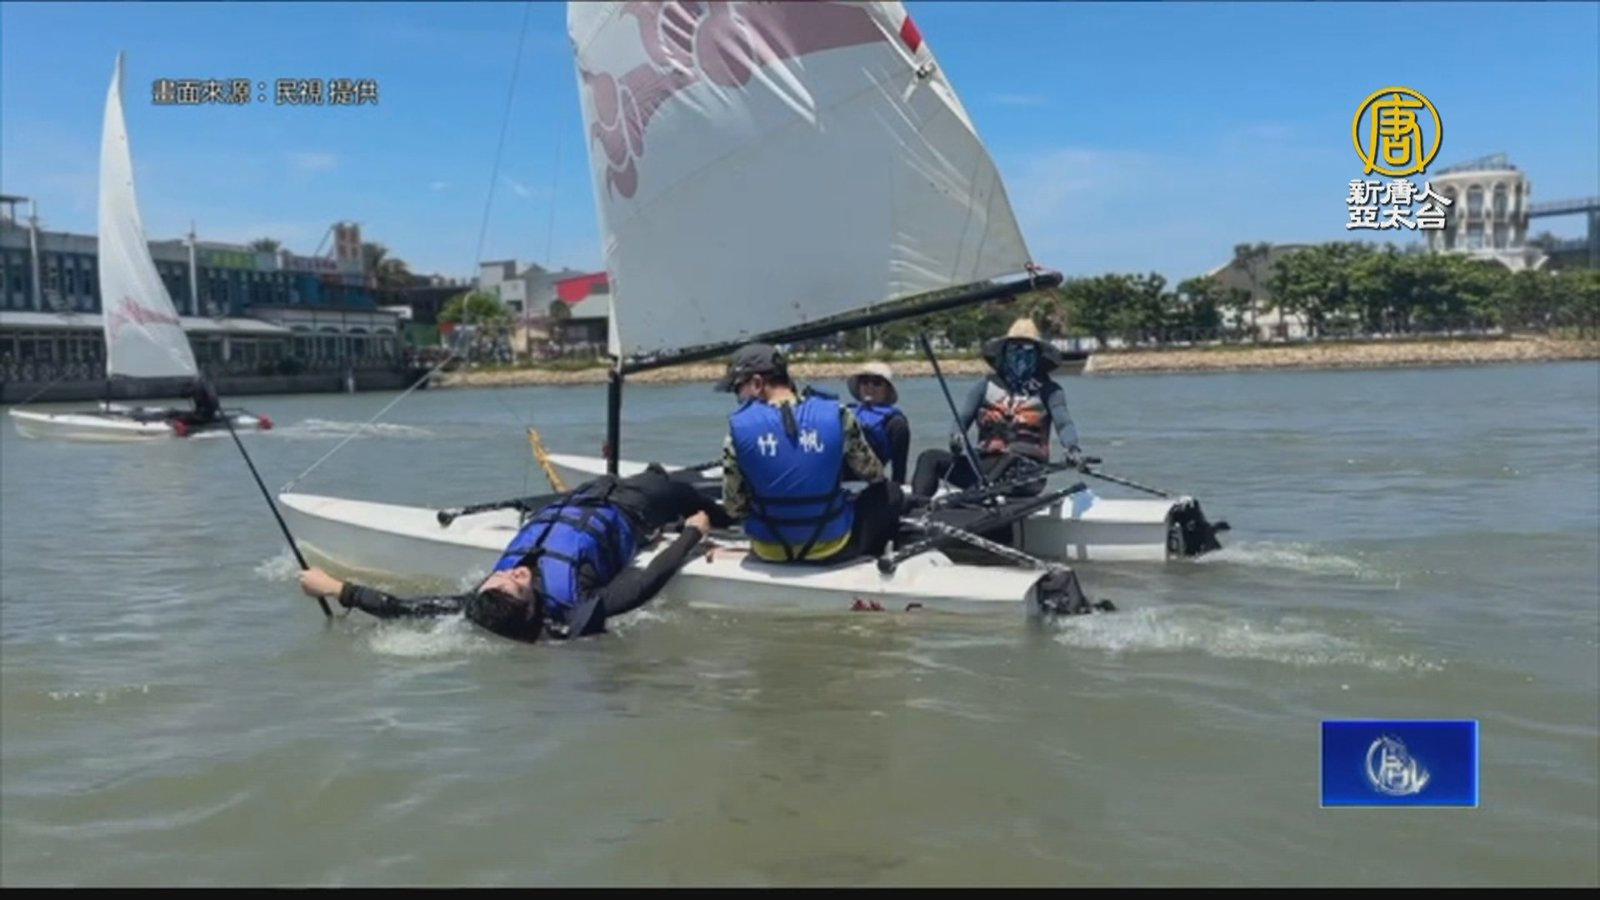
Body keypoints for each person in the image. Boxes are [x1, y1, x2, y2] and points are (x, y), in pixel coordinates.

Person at [296, 465, 732, 643]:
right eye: (518, 584)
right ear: (531, 611)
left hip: (580, 498)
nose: (517, 571)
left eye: (502, 577)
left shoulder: (480, 604)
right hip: (635, 507)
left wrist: (337, 588)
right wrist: (693, 534)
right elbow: (647, 581)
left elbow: (401, 609)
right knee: (694, 498)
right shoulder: (574, 608)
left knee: (648, 473)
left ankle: (657, 471)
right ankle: (729, 505)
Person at [716, 342, 908, 565]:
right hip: (832, 547)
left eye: (737, 389)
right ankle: (873, 560)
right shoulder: (838, 414)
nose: (737, 397)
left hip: (769, 549)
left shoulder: (736, 429)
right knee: (890, 492)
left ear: (758, 383)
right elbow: (873, 474)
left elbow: (734, 507)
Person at [911, 317, 1086, 499]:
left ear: (1038, 355)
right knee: (929, 458)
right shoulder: (984, 387)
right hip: (984, 467)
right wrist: (956, 438)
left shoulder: (1050, 391)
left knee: (1009, 460)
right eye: (1014, 349)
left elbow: (1064, 424)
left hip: (1027, 473)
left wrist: (1072, 449)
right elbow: (961, 420)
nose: (1020, 356)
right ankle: (918, 507)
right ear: (1004, 354)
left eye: (1027, 350)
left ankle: (979, 493)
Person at [845, 361, 910, 485]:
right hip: (835, 480)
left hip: (869, 482)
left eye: (877, 383)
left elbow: (899, 468)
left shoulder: (896, 423)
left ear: (887, 390)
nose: (870, 387)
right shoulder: (845, 412)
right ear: (859, 387)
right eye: (864, 382)